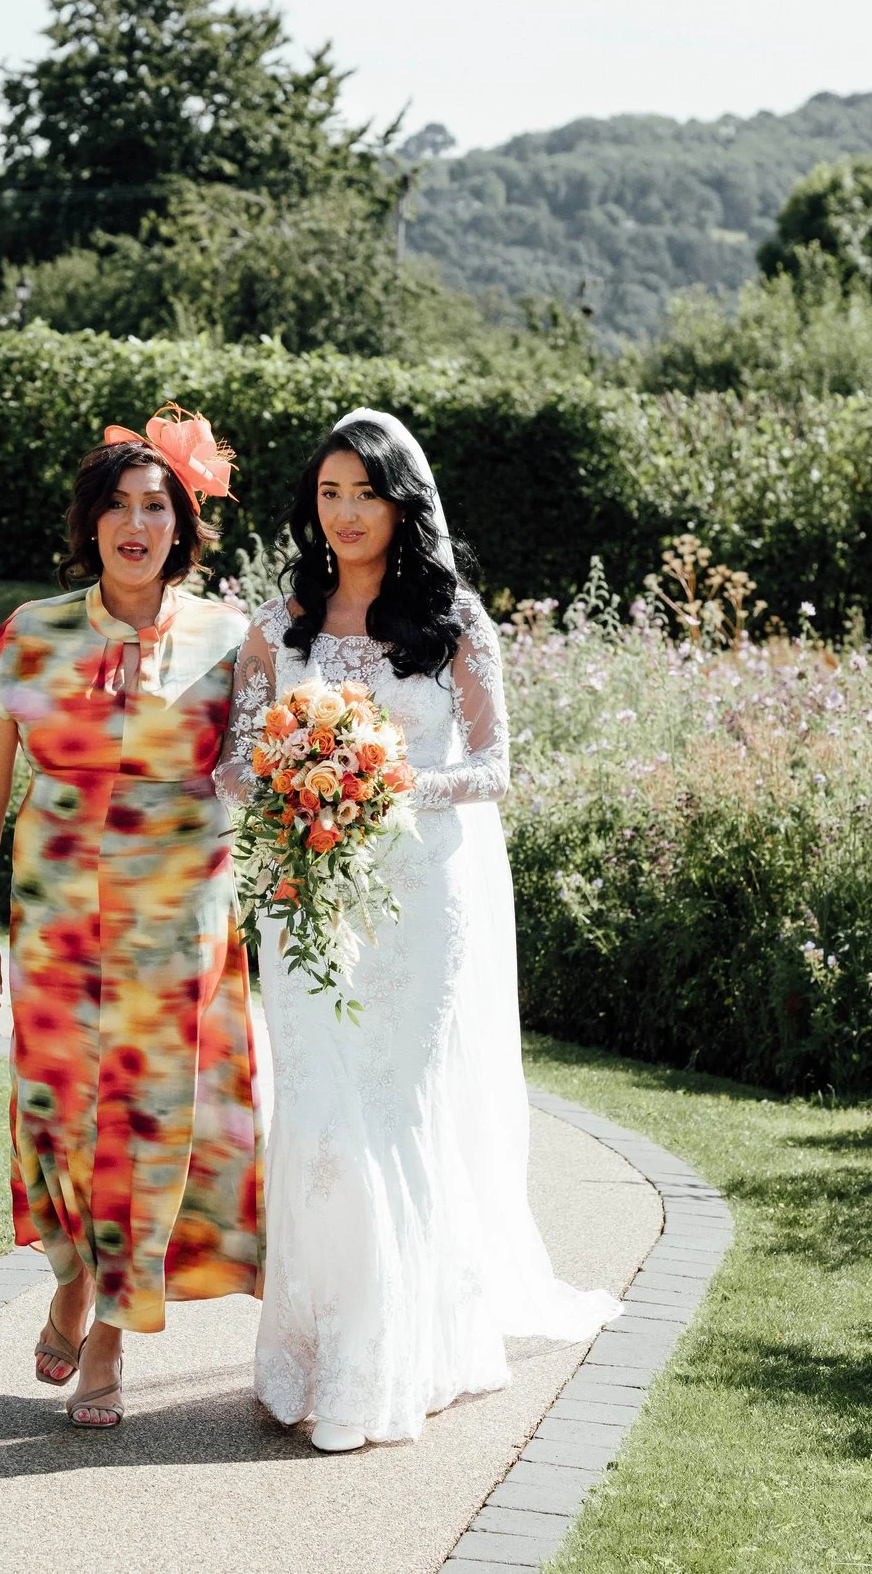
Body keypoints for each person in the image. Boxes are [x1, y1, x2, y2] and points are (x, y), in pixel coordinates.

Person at [218, 408, 619, 1452]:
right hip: (305, 897)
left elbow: (492, 766)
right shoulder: (280, 623)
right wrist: (287, 772)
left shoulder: (454, 619)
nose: (345, 513)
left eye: (365, 491)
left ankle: (392, 1355)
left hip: (416, 900)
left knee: (392, 1108)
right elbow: (229, 760)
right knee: (316, 1108)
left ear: (403, 499)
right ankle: (310, 1347)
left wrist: (379, 778)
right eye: (328, 493)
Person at [0, 409, 264, 1431]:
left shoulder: (231, 639)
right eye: (119, 507)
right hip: (53, 917)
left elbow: (255, 778)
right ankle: (71, 1276)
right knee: (56, 1112)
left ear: (184, 525)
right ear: (89, 524)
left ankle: (111, 1337)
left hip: (175, 920)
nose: (138, 524)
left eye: (157, 507)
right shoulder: (30, 630)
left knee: (147, 1118)